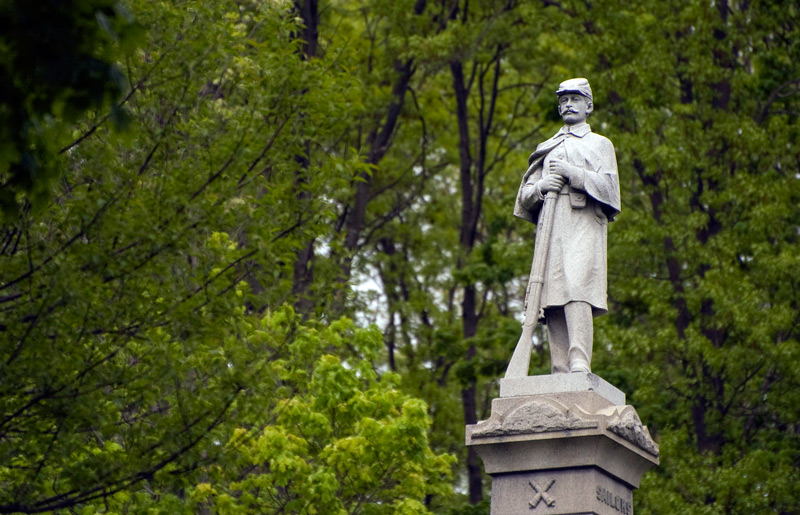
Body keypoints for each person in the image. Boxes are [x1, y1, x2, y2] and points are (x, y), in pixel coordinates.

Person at [513, 78, 621, 374]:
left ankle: (579, 360)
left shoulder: (600, 144)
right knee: (552, 294)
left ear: (589, 105)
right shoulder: (547, 147)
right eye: (563, 100)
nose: (568, 105)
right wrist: (541, 187)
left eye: (575, 99)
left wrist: (573, 173)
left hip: (584, 222)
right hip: (552, 224)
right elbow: (524, 196)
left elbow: (611, 191)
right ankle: (560, 366)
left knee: (577, 287)